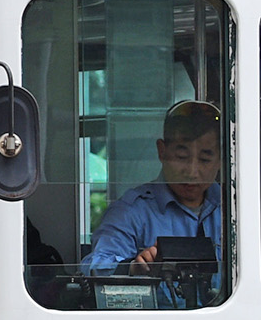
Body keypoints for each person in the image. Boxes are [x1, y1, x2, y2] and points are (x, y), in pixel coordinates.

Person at [86, 100, 227, 279]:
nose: (192, 172)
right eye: (182, 157)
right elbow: (94, 264)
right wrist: (133, 267)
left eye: (205, 160)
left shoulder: (235, 211)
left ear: (221, 159)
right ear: (162, 151)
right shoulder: (131, 211)